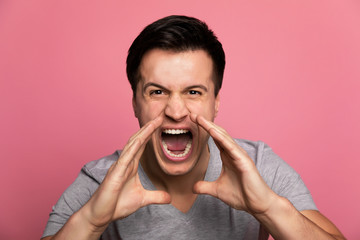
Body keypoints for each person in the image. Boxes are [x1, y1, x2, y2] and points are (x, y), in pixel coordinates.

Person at [41, 15, 345, 240]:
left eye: (194, 92)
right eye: (157, 92)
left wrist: (267, 207)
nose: (175, 111)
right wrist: (93, 220)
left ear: (216, 102)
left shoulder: (258, 166)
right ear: (135, 103)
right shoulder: (99, 181)